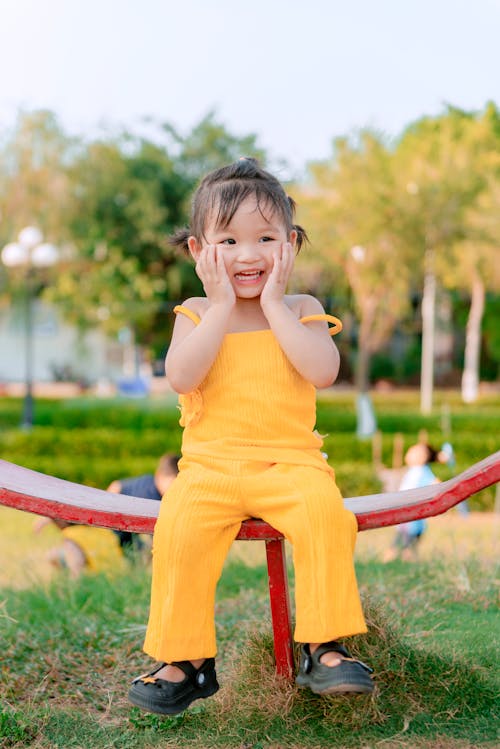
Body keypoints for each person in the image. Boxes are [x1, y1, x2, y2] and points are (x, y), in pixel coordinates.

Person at [128, 157, 374, 716]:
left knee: (325, 518)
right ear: (198, 252)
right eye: (229, 240)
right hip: (209, 470)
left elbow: (322, 370)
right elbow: (182, 376)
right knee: (180, 532)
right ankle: (185, 660)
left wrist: (272, 306)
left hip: (291, 467)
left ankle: (323, 645)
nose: (247, 254)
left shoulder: (301, 308)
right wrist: (219, 309)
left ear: (290, 245)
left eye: (265, 238)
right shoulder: (194, 312)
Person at [383, 442, 444, 562]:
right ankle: (402, 561)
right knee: (404, 545)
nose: (409, 453)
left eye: (413, 451)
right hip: (407, 518)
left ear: (423, 457)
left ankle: (398, 562)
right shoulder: (414, 471)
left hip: (412, 520)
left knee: (403, 547)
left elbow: (434, 483)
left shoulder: (421, 471)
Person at [107, 454, 180, 550]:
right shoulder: (149, 494)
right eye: (171, 484)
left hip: (128, 519)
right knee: (133, 548)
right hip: (119, 518)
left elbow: (117, 484)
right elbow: (116, 486)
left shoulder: (151, 482)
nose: (174, 490)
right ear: (159, 476)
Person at [33, 517, 125, 577]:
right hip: (115, 571)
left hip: (102, 574)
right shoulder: (100, 529)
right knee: (53, 555)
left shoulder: (72, 536)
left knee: (52, 556)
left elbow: (76, 567)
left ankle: (67, 580)